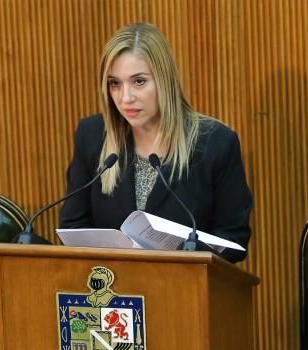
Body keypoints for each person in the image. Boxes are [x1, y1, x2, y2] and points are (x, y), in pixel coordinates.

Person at [58, 23, 252, 263]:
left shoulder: (215, 144)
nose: (125, 97)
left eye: (139, 81)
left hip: (184, 281)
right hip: (112, 282)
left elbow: (235, 240)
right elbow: (73, 225)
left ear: (164, 80)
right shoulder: (93, 136)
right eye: (115, 83)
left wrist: (188, 254)